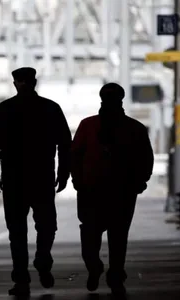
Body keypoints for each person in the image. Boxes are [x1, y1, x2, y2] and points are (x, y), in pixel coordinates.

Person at [0, 67, 71, 296]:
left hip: (14, 180)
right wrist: (63, 174)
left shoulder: (4, 110)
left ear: (15, 83)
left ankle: (21, 278)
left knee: (16, 231)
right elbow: (65, 144)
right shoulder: (50, 108)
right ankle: (43, 260)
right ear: (35, 82)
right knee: (47, 225)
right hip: (42, 178)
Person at [70, 82, 154, 296]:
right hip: (121, 192)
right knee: (118, 237)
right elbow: (146, 159)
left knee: (90, 235)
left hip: (93, 191)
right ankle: (114, 276)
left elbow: (75, 156)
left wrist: (77, 181)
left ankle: (96, 267)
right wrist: (140, 182)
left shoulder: (87, 126)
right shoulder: (135, 128)